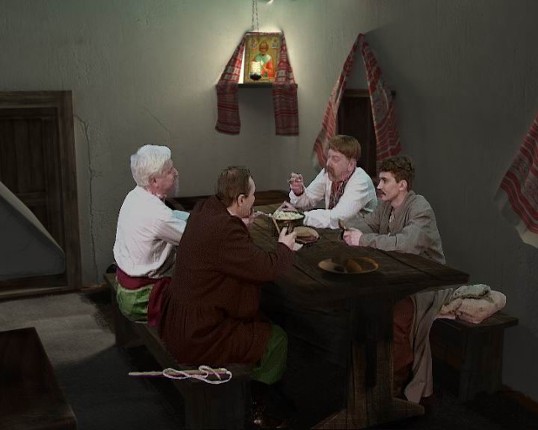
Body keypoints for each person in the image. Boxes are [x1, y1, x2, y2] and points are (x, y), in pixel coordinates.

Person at [159, 166, 297, 427]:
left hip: (178, 318)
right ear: (241, 199)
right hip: (197, 333)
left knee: (261, 315)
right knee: (277, 339)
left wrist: (241, 226)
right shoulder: (225, 230)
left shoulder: (205, 209)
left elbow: (227, 249)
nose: (255, 200)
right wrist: (284, 247)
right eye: (252, 196)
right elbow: (266, 268)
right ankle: (257, 409)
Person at [343, 154, 449, 403]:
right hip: (397, 278)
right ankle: (368, 377)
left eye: (384, 181)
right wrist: (345, 225)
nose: (378, 185)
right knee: (362, 307)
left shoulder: (420, 208)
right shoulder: (386, 206)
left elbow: (406, 244)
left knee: (397, 318)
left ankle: (393, 388)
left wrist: (363, 240)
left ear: (402, 185)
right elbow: (367, 224)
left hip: (425, 283)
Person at [113, 144, 188, 327]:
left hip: (124, 286)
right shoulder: (157, 215)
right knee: (207, 299)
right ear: (154, 181)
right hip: (141, 298)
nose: (176, 173)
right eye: (170, 171)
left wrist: (193, 217)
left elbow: (171, 218)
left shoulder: (135, 195)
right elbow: (196, 237)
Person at [286, 134, 377, 229]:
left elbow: (338, 217)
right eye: (328, 157)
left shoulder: (361, 181)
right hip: (337, 232)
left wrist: (301, 217)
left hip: (363, 235)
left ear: (350, 165)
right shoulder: (327, 173)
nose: (328, 163)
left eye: (335, 159)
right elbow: (308, 200)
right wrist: (299, 192)